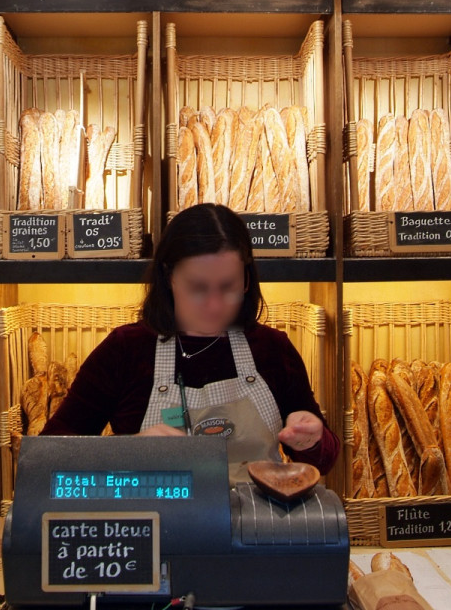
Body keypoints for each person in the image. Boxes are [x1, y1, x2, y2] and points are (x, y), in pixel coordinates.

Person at [42, 203, 340, 481]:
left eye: (228, 287)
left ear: (247, 280)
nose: (213, 305)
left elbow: (323, 460)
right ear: (168, 276)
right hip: (156, 530)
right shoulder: (125, 349)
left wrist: (312, 438)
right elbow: (48, 458)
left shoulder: (272, 349)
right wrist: (129, 452)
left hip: (258, 527)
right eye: (197, 288)